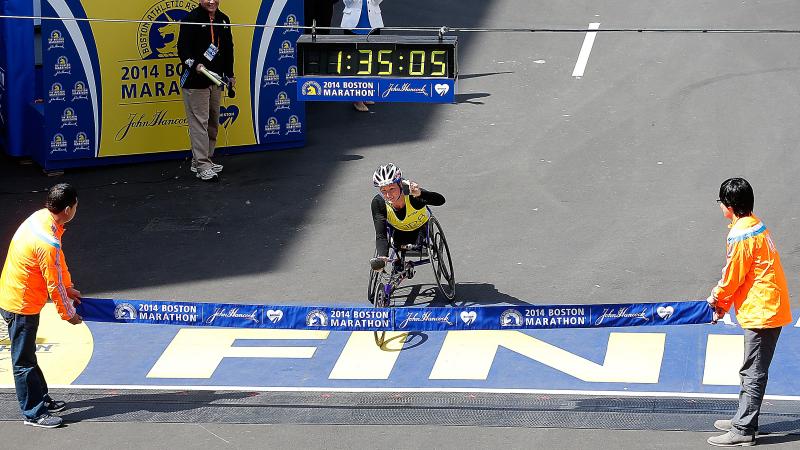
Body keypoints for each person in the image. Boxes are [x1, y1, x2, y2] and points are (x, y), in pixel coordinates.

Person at [706, 178, 792, 447]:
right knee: (752, 369)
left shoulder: (741, 236)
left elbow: (732, 276)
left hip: (762, 311)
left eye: (721, 202)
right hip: (767, 305)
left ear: (729, 206)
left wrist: (717, 300)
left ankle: (743, 429)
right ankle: (743, 419)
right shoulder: (754, 224)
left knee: (753, 371)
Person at [0, 183, 83, 429]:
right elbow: (53, 283)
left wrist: (68, 288)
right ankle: (34, 413)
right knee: (23, 361)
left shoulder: (41, 220)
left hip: (18, 295)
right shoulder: (48, 242)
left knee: (27, 355)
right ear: (68, 209)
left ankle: (41, 399)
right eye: (76, 205)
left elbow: (58, 269)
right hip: (21, 304)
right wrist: (69, 314)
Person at [177, 0, 236, 182]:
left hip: (216, 80)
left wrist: (230, 74)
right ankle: (203, 165)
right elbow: (182, 49)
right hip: (196, 82)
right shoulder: (190, 19)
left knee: (212, 121)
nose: (211, 1)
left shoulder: (224, 19)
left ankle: (203, 160)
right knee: (199, 124)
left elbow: (228, 49)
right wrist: (194, 65)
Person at [371, 163, 445, 273]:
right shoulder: (379, 203)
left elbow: (440, 201)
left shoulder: (413, 196)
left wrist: (421, 193)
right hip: (398, 232)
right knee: (396, 244)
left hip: (421, 230)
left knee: (416, 242)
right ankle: (400, 263)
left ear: (400, 184)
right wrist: (382, 257)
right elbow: (380, 234)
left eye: (392, 188)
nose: (388, 195)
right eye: (384, 191)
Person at [341, 0, 383, 112]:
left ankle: (365, 92)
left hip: (373, 24)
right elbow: (348, 2)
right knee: (354, 62)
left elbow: (377, 2)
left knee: (370, 61)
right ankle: (357, 98)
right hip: (353, 25)